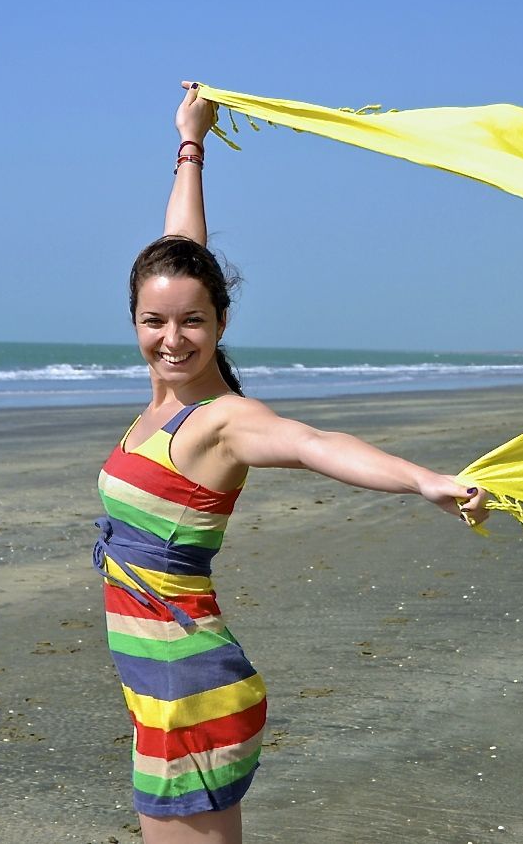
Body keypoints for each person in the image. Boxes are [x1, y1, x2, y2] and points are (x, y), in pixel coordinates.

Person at [91, 81, 490, 844]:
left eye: (191, 321)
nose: (172, 338)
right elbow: (182, 252)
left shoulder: (224, 422)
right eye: (154, 321)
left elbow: (315, 445)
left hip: (188, 689)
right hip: (161, 685)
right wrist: (191, 140)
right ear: (136, 320)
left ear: (221, 321)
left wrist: (423, 481)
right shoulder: (164, 393)